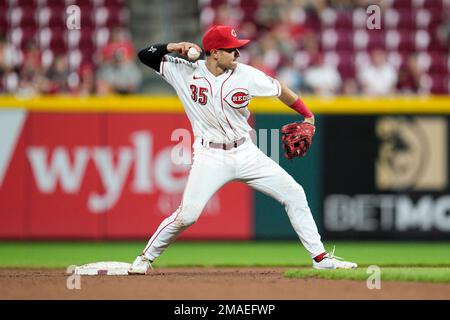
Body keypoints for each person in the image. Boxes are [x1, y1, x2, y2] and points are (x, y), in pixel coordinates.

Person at [128, 25, 357, 274]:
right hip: (210, 155)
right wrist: (173, 46)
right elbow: (144, 55)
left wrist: (308, 115)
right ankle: (145, 257)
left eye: (238, 49)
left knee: (294, 193)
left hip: (246, 152)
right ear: (214, 53)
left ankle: (320, 258)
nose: (238, 54)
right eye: (232, 50)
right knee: (188, 215)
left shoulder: (247, 75)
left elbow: (280, 90)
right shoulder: (184, 71)